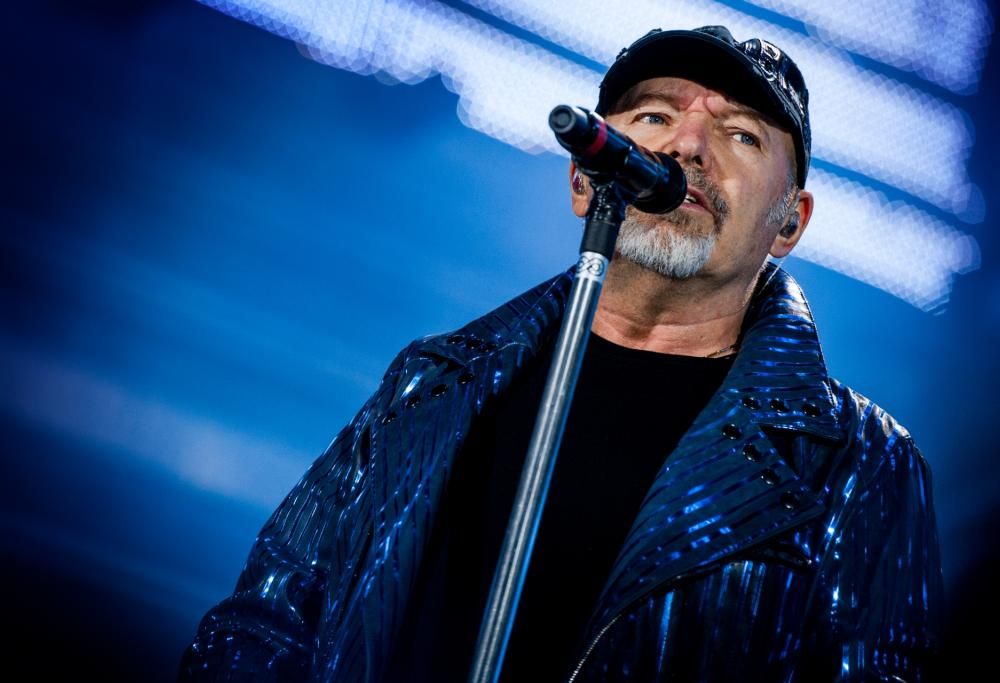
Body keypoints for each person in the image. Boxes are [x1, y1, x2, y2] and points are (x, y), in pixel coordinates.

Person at [179, 26, 943, 682]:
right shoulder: (431, 382)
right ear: (584, 178)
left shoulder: (860, 460)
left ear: (789, 222)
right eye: (654, 115)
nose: (687, 145)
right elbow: (264, 623)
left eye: (742, 135)